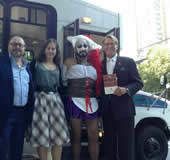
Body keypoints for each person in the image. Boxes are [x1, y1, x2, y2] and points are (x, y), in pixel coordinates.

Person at [101, 35, 143, 160]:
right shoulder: (100, 64)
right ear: (103, 47)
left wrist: (126, 90)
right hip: (107, 111)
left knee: (126, 146)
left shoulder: (128, 62)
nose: (109, 46)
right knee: (109, 145)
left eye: (112, 43)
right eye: (107, 44)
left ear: (117, 46)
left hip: (125, 111)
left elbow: (138, 83)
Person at [63, 35, 102, 160]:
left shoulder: (93, 67)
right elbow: (63, 81)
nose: (83, 48)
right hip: (74, 102)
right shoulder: (68, 63)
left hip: (92, 103)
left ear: (89, 49)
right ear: (75, 49)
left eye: (85, 46)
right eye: (79, 46)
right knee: (76, 136)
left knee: (94, 136)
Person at [30, 38, 70, 160]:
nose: (51, 51)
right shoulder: (35, 64)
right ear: (44, 49)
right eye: (48, 48)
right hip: (40, 100)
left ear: (56, 51)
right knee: (42, 136)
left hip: (55, 101)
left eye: (53, 49)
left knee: (59, 135)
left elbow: (63, 86)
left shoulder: (59, 66)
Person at [0, 36, 34, 160]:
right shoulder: (1, 63)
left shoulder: (28, 66)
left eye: (20, 45)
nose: (17, 47)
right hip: (5, 113)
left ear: (24, 48)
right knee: (2, 148)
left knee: (18, 148)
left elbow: (30, 90)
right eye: (14, 44)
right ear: (9, 46)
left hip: (22, 114)